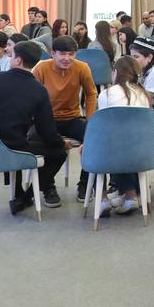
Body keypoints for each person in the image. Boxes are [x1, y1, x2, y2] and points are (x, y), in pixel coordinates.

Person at [0, 41, 72, 211]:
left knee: (17, 140)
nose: (10, 57)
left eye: (12, 55)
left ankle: (18, 194)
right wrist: (61, 143)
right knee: (58, 153)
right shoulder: (39, 90)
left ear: (18, 60)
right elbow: (47, 132)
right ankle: (25, 197)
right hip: (13, 149)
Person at [33, 35, 98, 198]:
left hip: (72, 118)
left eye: (71, 54)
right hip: (47, 120)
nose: (66, 58)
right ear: (53, 54)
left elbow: (91, 94)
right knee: (45, 143)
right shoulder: (41, 68)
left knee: (95, 138)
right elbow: (31, 95)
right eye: (62, 54)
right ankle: (48, 187)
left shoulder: (82, 67)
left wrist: (90, 121)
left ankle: (85, 185)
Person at [95, 56, 153, 215]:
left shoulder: (107, 94)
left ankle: (102, 199)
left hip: (116, 150)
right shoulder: (145, 95)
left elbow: (103, 126)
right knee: (125, 144)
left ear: (115, 72)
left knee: (95, 149)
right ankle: (130, 194)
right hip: (143, 150)